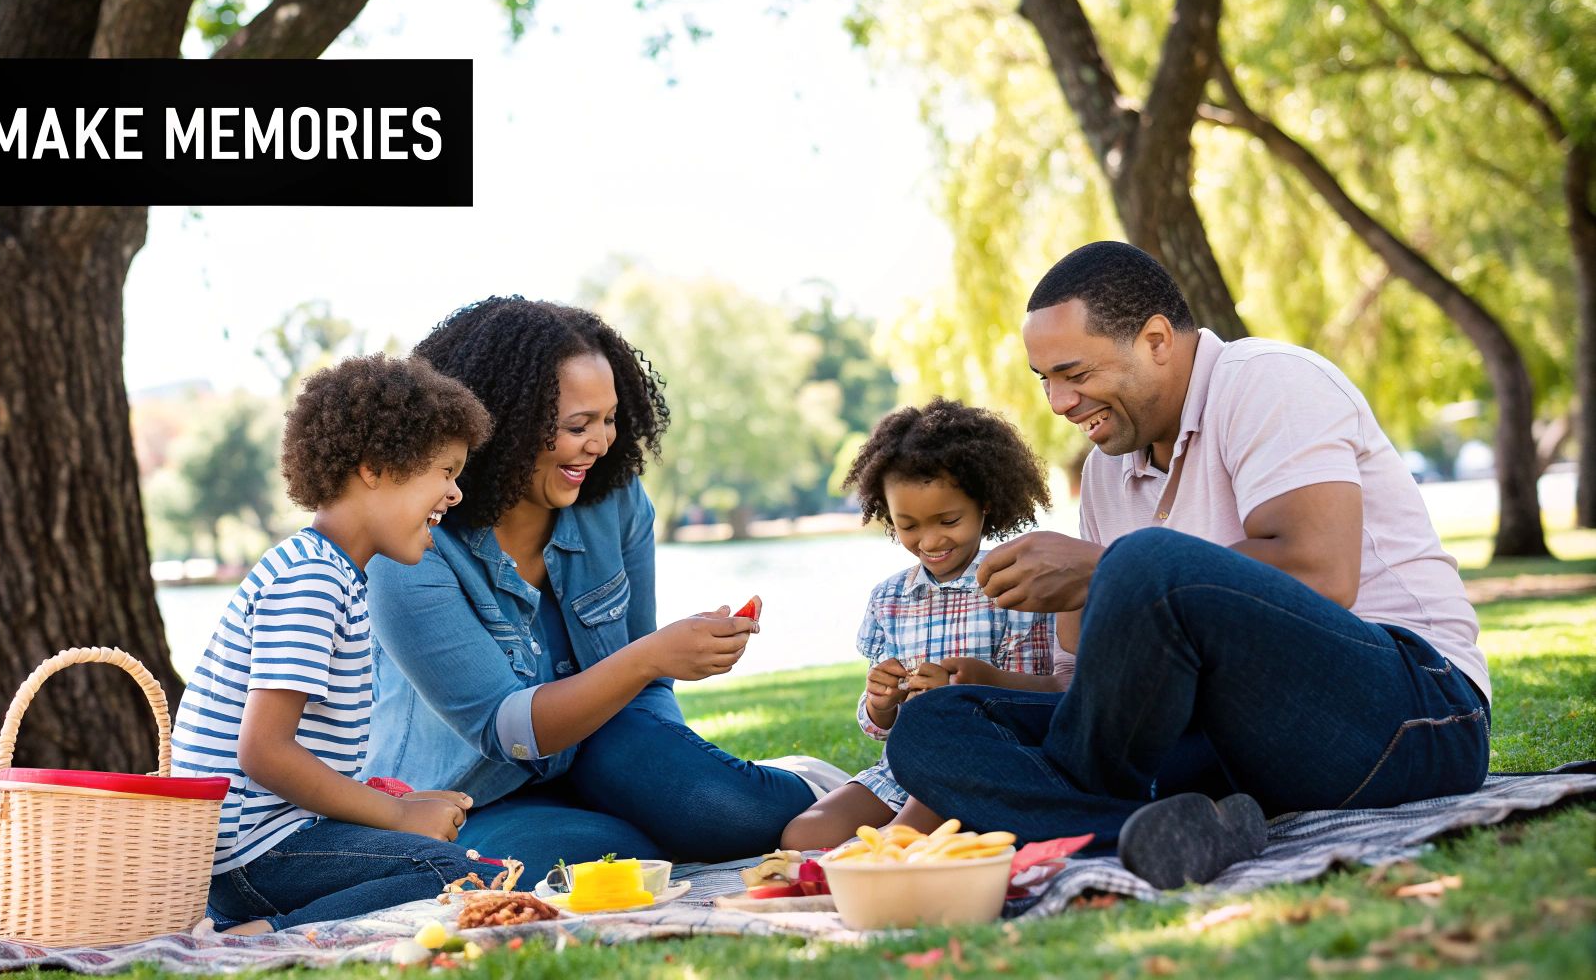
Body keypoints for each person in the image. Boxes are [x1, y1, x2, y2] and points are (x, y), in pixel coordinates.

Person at [887, 241, 1490, 889]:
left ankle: (1069, 814)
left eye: (1074, 373)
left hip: (1411, 713)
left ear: (1155, 341)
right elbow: (1096, 706)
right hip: (1229, 744)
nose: (1058, 403)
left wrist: (1102, 571)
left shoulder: (1270, 381)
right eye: (1045, 381)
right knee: (932, 727)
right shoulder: (1107, 474)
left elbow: (1321, 575)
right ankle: (1147, 832)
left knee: (1147, 560)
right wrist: (988, 681)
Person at [361, 296, 845, 872]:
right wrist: (652, 656)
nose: (600, 443)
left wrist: (668, 762)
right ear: (501, 427)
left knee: (719, 812)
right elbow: (503, 730)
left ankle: (825, 791)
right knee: (596, 857)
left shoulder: (615, 501)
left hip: (602, 747)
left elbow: (648, 689)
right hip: (471, 794)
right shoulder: (411, 548)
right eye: (577, 425)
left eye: (610, 418)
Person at [172, 355, 495, 934]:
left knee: (468, 866)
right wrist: (398, 817)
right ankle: (264, 937)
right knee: (455, 874)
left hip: (268, 846)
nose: (455, 493)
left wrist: (403, 804)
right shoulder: (312, 578)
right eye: (445, 472)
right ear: (375, 468)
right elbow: (263, 752)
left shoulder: (332, 572)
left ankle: (270, 923)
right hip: (252, 857)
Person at [780, 398, 1069, 851]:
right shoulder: (889, 599)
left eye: (948, 520)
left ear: (985, 503)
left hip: (985, 763)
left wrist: (965, 688)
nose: (930, 540)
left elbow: (1042, 699)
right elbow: (879, 725)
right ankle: (907, 842)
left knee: (898, 841)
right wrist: (881, 702)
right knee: (803, 836)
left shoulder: (1016, 585)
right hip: (905, 768)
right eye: (909, 525)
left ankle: (902, 849)